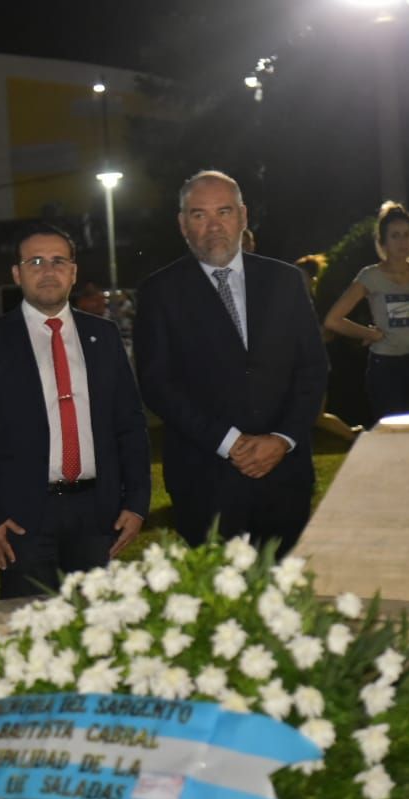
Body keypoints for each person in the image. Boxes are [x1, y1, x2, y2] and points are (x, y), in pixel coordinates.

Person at [134, 170, 328, 556]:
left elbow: (312, 369)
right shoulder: (160, 292)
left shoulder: (286, 281)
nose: (213, 226)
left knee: (286, 590)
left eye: (223, 212)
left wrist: (283, 439)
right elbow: (158, 384)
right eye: (199, 214)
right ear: (182, 224)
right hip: (205, 480)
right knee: (218, 592)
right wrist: (229, 442)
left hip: (285, 476)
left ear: (242, 216)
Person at [0, 223, 151, 598]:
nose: (48, 270)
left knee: (97, 623)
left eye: (58, 261)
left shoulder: (103, 335)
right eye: (35, 261)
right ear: (17, 274)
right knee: (32, 627)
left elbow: (129, 424)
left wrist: (137, 503)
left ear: (73, 272)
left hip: (98, 513)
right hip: (22, 519)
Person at [323, 202, 409, 422]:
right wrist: (370, 334)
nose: (402, 242)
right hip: (386, 367)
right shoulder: (371, 276)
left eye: (407, 235)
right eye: (395, 236)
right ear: (383, 242)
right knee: (393, 433)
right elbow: (333, 320)